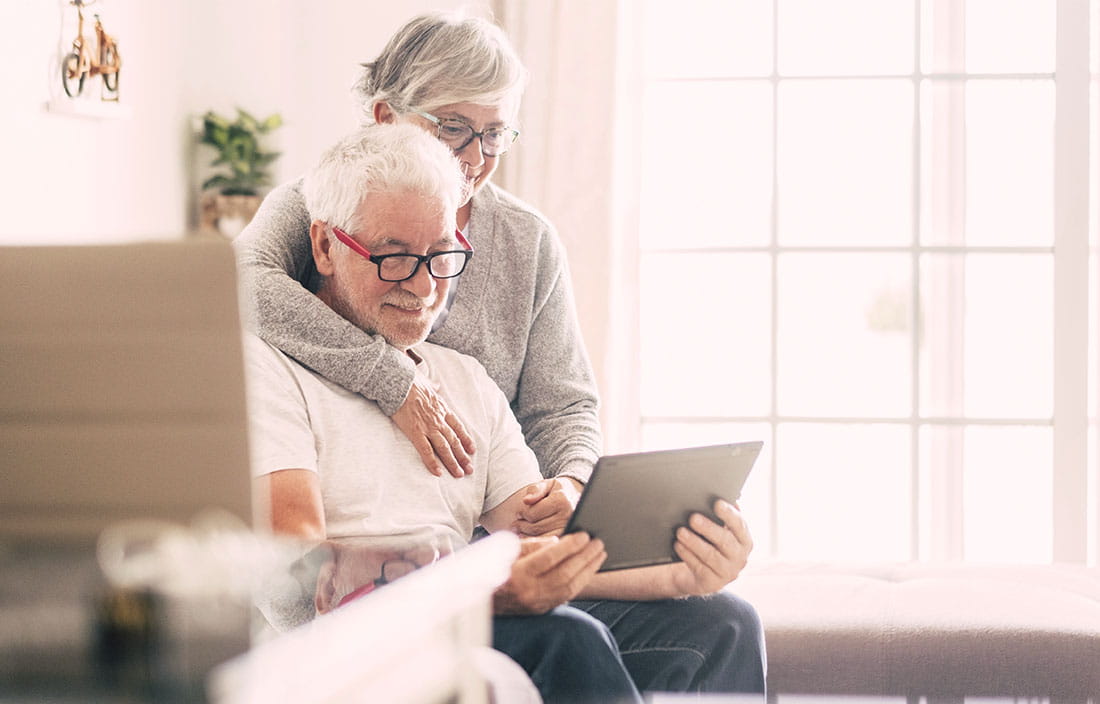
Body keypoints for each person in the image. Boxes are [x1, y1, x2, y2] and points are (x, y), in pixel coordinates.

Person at [247, 124, 765, 703]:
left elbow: (545, 548)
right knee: (565, 638)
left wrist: (678, 573)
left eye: (442, 255)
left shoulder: (462, 380)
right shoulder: (269, 369)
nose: (422, 286)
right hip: (353, 645)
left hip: (465, 611)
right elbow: (293, 568)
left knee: (722, 623)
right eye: (393, 258)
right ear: (324, 246)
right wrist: (480, 590)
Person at [235, 10, 591, 538]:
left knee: (717, 617)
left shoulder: (529, 241)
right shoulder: (322, 205)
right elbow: (241, 286)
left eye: (493, 134)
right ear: (385, 117)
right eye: (452, 127)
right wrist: (394, 381)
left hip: (495, 529)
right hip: (374, 549)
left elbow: (563, 406)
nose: (474, 157)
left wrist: (572, 483)